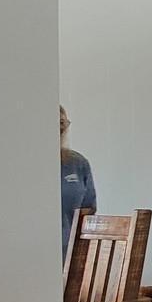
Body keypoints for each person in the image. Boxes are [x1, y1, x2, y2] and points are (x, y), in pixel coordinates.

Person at [60, 105, 97, 261]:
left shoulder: (78, 163)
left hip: (69, 254)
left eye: (62, 123)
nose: (60, 127)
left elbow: (87, 210)